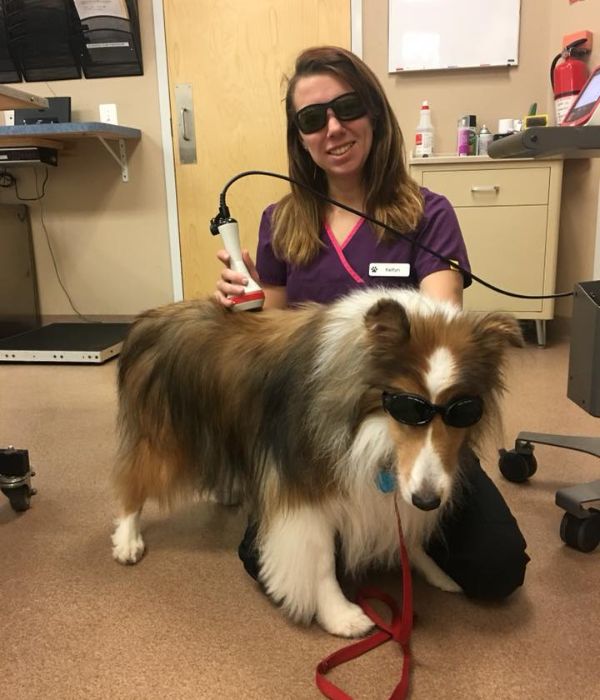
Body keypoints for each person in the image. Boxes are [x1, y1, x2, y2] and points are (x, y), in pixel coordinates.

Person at [215, 45, 529, 600]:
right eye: (312, 119)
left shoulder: (426, 213)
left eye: (347, 107)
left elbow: (443, 327)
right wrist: (242, 304)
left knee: (499, 568)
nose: (332, 128)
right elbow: (275, 335)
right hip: (319, 431)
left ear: (375, 113)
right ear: (300, 136)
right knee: (268, 558)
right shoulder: (279, 222)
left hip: (413, 420)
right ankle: (380, 533)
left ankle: (404, 529)